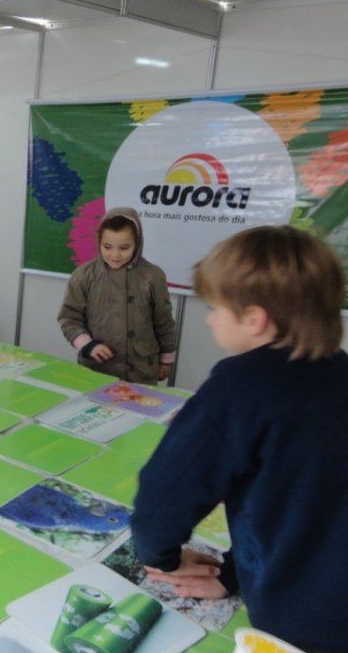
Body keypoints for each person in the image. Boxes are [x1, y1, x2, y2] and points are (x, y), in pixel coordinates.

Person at [130, 226, 348, 653]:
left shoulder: (239, 385)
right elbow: (308, 504)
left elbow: (167, 492)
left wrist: (160, 556)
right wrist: (230, 575)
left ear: (254, 318)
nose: (210, 318)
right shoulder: (341, 371)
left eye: (214, 308)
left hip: (294, 619)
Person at [57, 206, 177, 383]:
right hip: (96, 370)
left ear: (137, 244)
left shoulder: (153, 276)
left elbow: (164, 321)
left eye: (124, 248)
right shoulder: (84, 275)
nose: (115, 255)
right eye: (107, 247)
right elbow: (69, 318)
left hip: (142, 370)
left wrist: (166, 358)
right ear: (99, 243)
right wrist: (87, 344)